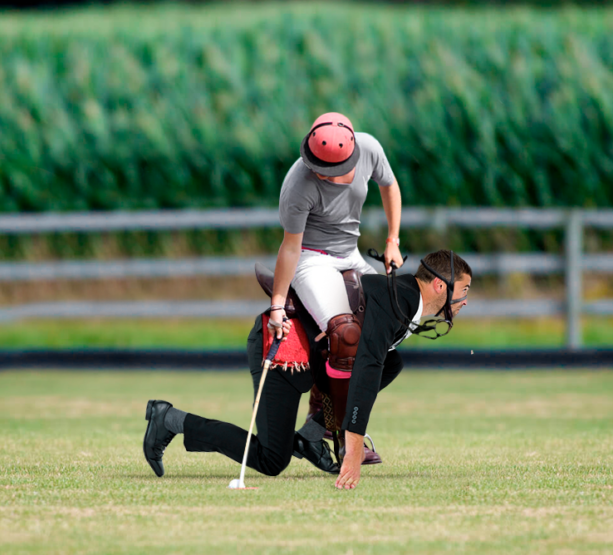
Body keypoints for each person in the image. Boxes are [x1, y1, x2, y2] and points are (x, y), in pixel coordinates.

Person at [143, 250, 473, 490]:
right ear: (440, 286)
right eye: (465, 291)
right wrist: (353, 445)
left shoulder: (403, 301)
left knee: (392, 363)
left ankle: (312, 436)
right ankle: (169, 419)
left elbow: (366, 365)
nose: (466, 301)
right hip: (282, 349)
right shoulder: (397, 301)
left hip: (311, 360)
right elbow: (367, 368)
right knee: (273, 460)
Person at [269, 111, 404, 465]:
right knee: (345, 335)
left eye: (328, 171)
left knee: (396, 324)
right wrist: (278, 304)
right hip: (312, 259)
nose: (320, 175)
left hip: (350, 254)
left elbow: (389, 186)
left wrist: (393, 240)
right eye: (315, 167)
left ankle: (317, 426)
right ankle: (347, 440)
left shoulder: (370, 148)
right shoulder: (297, 184)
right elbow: (291, 247)